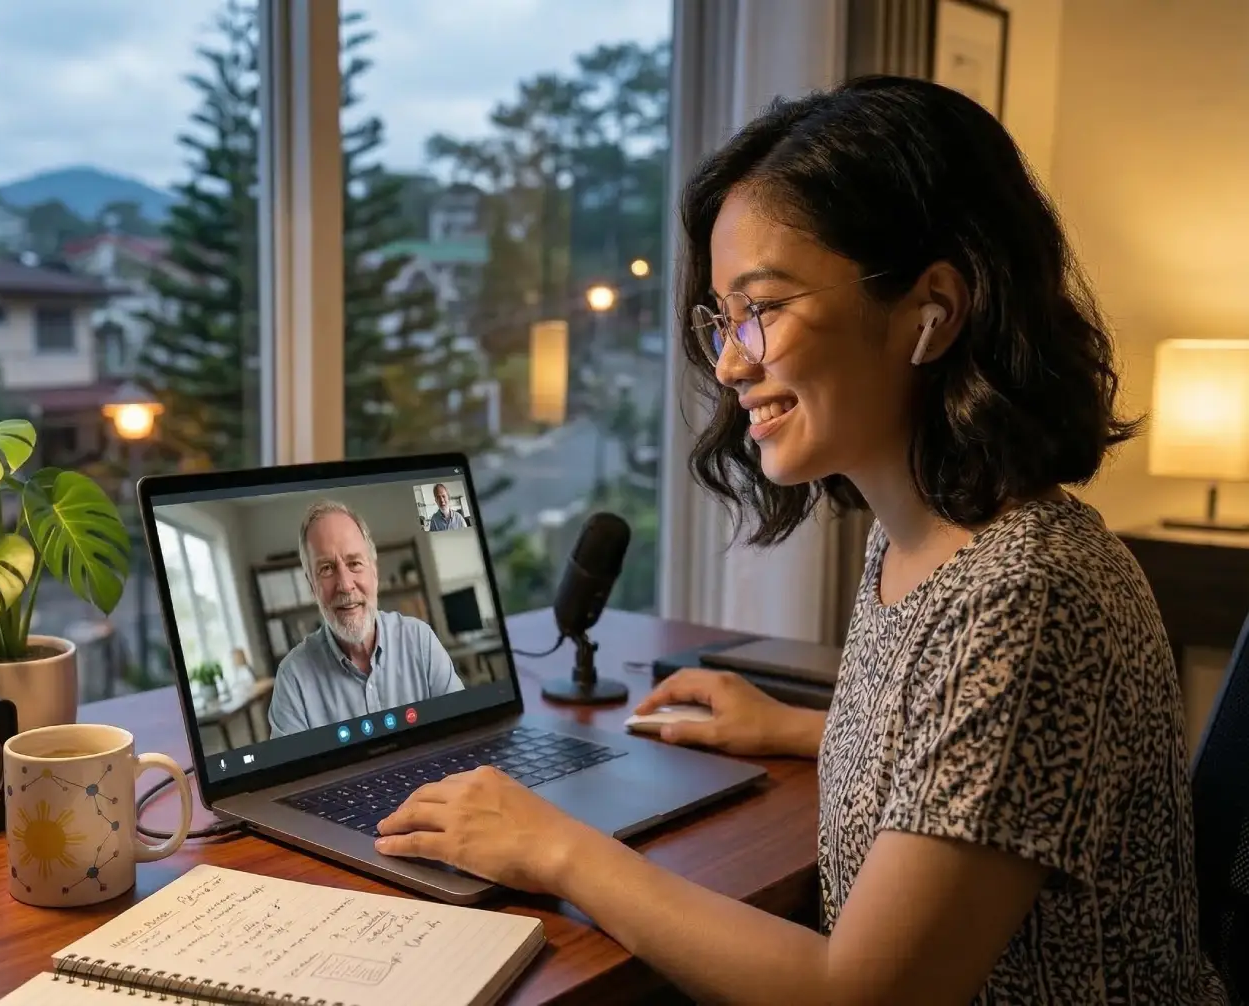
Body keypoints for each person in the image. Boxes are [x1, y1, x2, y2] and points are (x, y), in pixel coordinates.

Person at [372, 75, 1228, 1005]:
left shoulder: (1029, 591)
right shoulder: (925, 541)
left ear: (930, 309)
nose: (733, 362)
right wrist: (802, 729)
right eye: (721, 320)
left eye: (763, 309)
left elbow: (858, 996)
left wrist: (556, 847)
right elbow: (968, 763)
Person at [267, 500, 463, 738]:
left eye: (354, 563)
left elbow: (463, 733)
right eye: (326, 568)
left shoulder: (420, 641)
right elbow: (293, 774)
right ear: (312, 586)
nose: (345, 585)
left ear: (375, 572)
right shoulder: (292, 678)